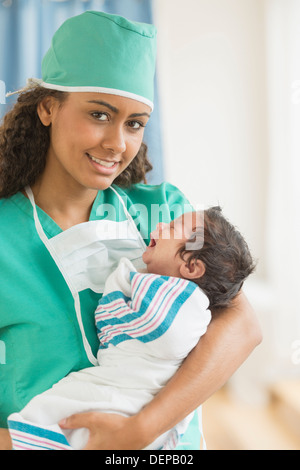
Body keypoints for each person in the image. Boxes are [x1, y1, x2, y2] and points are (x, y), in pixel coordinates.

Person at [0, 11, 262, 450]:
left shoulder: (169, 215)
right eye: (99, 114)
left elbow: (241, 324)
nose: (118, 143)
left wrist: (140, 430)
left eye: (134, 123)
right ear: (48, 107)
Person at [7, 207, 256, 450]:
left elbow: (169, 333)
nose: (158, 226)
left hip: (134, 395)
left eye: (170, 228)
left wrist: (126, 275)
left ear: (191, 268)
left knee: (64, 411)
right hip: (121, 383)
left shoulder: (188, 304)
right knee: (61, 408)